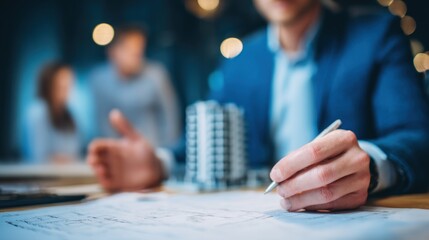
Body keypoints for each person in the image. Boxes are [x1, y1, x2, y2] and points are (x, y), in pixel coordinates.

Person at [87, 0, 429, 212]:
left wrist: (370, 165)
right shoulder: (242, 59)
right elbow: (213, 139)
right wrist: (158, 163)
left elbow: (418, 137)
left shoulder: (375, 34)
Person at [89, 25, 180, 148]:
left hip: (153, 151)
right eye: (131, 51)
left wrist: (166, 154)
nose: (138, 55)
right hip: (117, 153)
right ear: (113, 52)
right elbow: (101, 122)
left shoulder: (156, 75)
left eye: (140, 50)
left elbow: (170, 117)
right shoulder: (99, 79)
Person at [24, 62, 80, 163]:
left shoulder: (69, 115)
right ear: (50, 85)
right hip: (40, 176)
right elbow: (39, 156)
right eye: (62, 85)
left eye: (69, 84)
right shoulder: (38, 112)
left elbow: (74, 152)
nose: (68, 89)